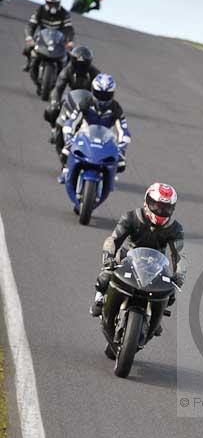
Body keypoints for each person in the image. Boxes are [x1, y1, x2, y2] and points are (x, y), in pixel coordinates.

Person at [90, 183, 185, 317]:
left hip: (156, 265)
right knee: (105, 277)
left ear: (172, 208)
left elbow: (179, 254)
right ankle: (99, 299)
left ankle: (155, 317)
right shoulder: (131, 217)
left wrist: (179, 274)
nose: (160, 210)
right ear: (147, 202)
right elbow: (113, 240)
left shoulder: (175, 229)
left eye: (165, 208)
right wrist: (108, 258)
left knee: (170, 293)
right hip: (128, 257)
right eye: (157, 205)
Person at [59, 73, 130, 182]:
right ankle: (66, 170)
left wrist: (121, 149)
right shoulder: (85, 103)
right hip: (84, 133)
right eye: (99, 94)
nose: (102, 99)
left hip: (107, 137)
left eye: (106, 95)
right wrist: (69, 138)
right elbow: (72, 121)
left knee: (121, 164)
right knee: (65, 152)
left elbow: (124, 131)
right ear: (93, 91)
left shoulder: (116, 108)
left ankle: (109, 178)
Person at [45, 45, 100, 126]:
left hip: (89, 101)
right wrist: (55, 102)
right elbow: (58, 88)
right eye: (78, 64)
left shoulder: (95, 73)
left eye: (83, 65)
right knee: (52, 110)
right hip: (71, 97)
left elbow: (102, 90)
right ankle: (55, 129)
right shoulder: (67, 70)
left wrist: (101, 105)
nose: (80, 68)